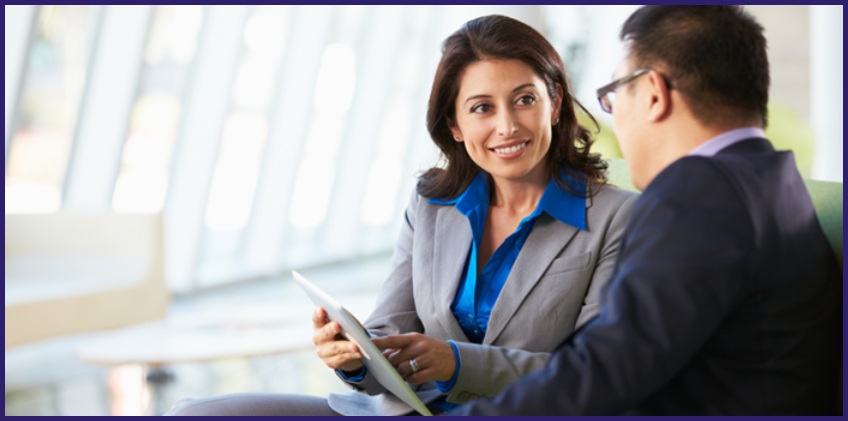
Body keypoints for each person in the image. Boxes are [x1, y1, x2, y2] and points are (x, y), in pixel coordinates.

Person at [165, 15, 638, 416]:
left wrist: (457, 363)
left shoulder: (617, 217)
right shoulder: (432, 204)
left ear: (554, 103)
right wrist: (353, 356)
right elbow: (390, 330)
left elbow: (592, 376)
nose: (507, 125)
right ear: (454, 125)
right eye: (481, 108)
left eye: (525, 99)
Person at [451, 5, 842, 416]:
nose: (615, 115)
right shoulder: (774, 180)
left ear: (653, 93)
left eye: (615, 95)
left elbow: (601, 374)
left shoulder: (699, 197)